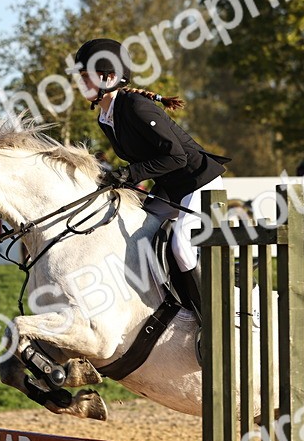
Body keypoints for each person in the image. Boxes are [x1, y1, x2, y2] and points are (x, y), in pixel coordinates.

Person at [73, 38, 229, 318]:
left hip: (198, 182)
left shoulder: (135, 106)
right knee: (141, 236)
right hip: (170, 187)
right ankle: (164, 307)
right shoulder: (105, 117)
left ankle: (210, 317)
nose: (79, 84)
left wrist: (129, 174)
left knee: (181, 246)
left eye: (86, 77)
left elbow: (177, 157)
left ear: (108, 78)